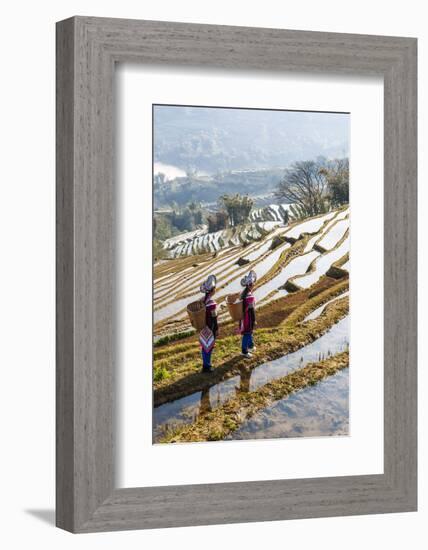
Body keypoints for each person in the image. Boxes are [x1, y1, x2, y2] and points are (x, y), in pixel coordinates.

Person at [199, 274, 218, 373]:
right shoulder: (211, 303)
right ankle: (208, 366)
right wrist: (215, 330)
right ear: (212, 290)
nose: (215, 290)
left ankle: (204, 365)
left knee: (204, 346)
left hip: (203, 327)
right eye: (215, 288)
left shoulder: (202, 300)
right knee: (209, 347)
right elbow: (214, 319)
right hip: (210, 327)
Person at [239, 270, 257, 358]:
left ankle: (250, 346)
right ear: (250, 285)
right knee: (247, 333)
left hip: (244, 317)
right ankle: (244, 351)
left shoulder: (244, 293)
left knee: (248, 333)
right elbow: (251, 310)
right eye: (253, 284)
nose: (254, 285)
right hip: (248, 318)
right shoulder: (249, 296)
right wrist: (254, 320)